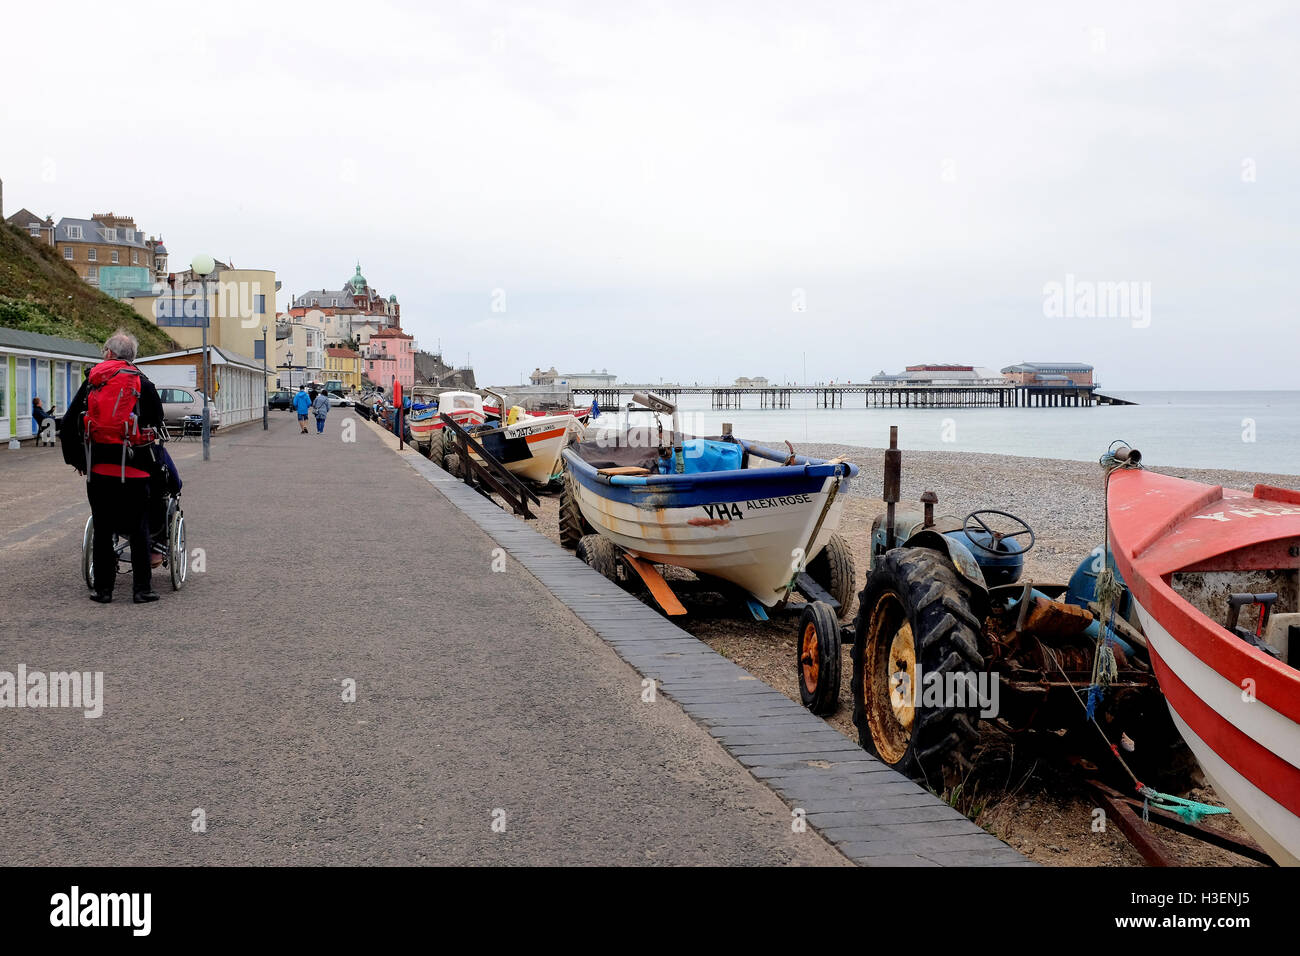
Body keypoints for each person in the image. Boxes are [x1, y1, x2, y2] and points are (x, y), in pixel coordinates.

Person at [60, 329, 165, 604]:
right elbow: (157, 418)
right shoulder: (142, 382)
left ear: (108, 353)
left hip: (100, 467)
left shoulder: (93, 381)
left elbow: (70, 422)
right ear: (132, 357)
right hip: (136, 467)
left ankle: (104, 590)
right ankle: (142, 590)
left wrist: (79, 461)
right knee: (139, 527)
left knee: (103, 527)